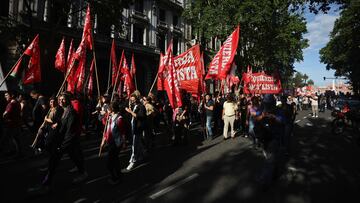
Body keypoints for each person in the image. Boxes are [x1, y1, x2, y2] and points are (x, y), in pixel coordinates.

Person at [28, 93, 88, 195]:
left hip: (66, 142)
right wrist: (58, 124)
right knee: (72, 157)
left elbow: (70, 132)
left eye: (63, 99)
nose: (60, 101)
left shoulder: (71, 113)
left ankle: (46, 185)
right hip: (62, 141)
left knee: (54, 162)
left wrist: (62, 146)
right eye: (60, 99)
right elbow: (62, 122)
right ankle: (83, 172)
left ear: (68, 100)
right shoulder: (64, 110)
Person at [100, 101, 126, 185]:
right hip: (110, 142)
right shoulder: (109, 117)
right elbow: (106, 129)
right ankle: (118, 174)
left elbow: (122, 132)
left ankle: (115, 178)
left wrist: (124, 143)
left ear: (112, 109)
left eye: (108, 109)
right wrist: (103, 141)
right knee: (115, 160)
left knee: (110, 163)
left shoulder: (119, 119)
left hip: (116, 143)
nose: (107, 110)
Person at [125, 93, 146, 171]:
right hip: (133, 127)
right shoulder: (134, 106)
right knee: (138, 142)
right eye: (131, 100)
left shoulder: (141, 106)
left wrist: (130, 112)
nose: (132, 101)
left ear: (137, 99)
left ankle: (133, 161)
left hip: (138, 128)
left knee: (134, 145)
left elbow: (140, 117)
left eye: (133, 100)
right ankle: (142, 155)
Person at [2, 91, 22, 156]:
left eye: (7, 95)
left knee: (9, 138)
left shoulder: (11, 104)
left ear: (12, 95)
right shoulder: (17, 103)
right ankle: (17, 152)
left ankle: (14, 152)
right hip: (16, 123)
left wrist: (4, 116)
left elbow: (5, 114)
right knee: (16, 138)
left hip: (11, 124)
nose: (5, 97)